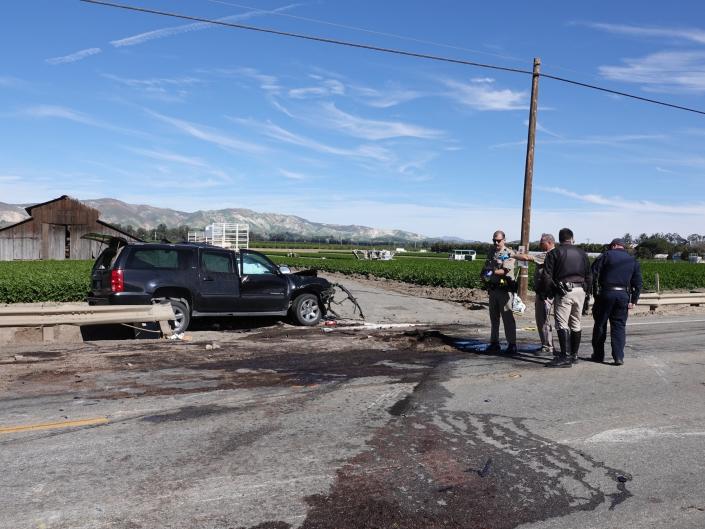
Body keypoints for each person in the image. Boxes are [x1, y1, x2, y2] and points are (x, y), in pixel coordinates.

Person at [541, 228, 592, 367]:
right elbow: (589, 275)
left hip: (564, 291)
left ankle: (565, 356)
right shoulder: (582, 253)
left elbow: (547, 275)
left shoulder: (555, 253)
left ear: (559, 239)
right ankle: (574, 355)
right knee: (576, 323)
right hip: (580, 289)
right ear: (572, 238)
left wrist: (549, 291)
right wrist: (587, 293)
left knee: (562, 323)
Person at [590, 238, 643, 366]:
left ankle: (598, 355)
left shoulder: (606, 255)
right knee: (619, 326)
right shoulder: (633, 260)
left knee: (600, 325)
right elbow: (638, 283)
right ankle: (618, 357)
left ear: (614, 246)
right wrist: (634, 300)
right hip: (623, 295)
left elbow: (592, 274)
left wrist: (593, 293)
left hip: (606, 294)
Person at [515, 233, 557, 354]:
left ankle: (547, 346)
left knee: (543, 319)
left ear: (549, 242)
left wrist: (513, 255)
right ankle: (553, 346)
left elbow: (528, 258)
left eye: (541, 242)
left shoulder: (548, 254)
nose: (539, 244)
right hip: (552, 291)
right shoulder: (557, 253)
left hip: (545, 292)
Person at [481, 230, 517, 355]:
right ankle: (494, 343)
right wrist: (484, 275)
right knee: (494, 319)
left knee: (507, 319)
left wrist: (489, 271)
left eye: (499, 240)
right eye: (494, 240)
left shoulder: (509, 253)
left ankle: (512, 344)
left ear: (504, 240)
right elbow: (486, 267)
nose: (496, 242)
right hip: (493, 289)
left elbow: (504, 271)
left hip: (505, 290)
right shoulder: (491, 252)